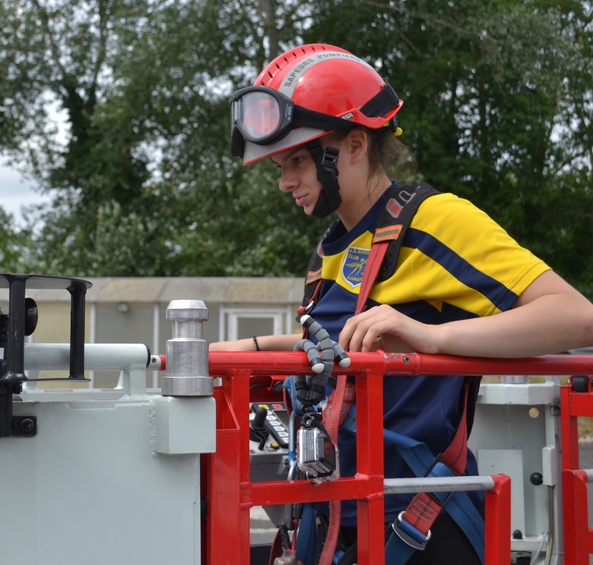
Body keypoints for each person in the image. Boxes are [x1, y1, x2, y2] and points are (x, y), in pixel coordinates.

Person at [212, 43, 593, 564]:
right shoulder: (332, 248)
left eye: (297, 160)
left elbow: (576, 317)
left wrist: (429, 337)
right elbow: (339, 347)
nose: (284, 182)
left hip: (419, 523)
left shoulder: (435, 220)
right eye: (280, 165)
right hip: (337, 516)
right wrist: (250, 350)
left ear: (353, 145)